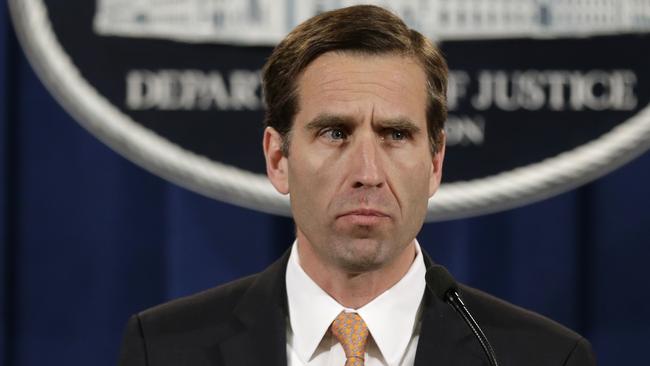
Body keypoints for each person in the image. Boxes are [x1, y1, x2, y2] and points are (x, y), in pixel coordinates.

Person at [117, 5, 596, 366]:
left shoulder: (543, 358)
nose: (367, 170)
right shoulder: (162, 349)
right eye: (335, 133)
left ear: (434, 162)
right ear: (278, 158)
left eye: (396, 135)